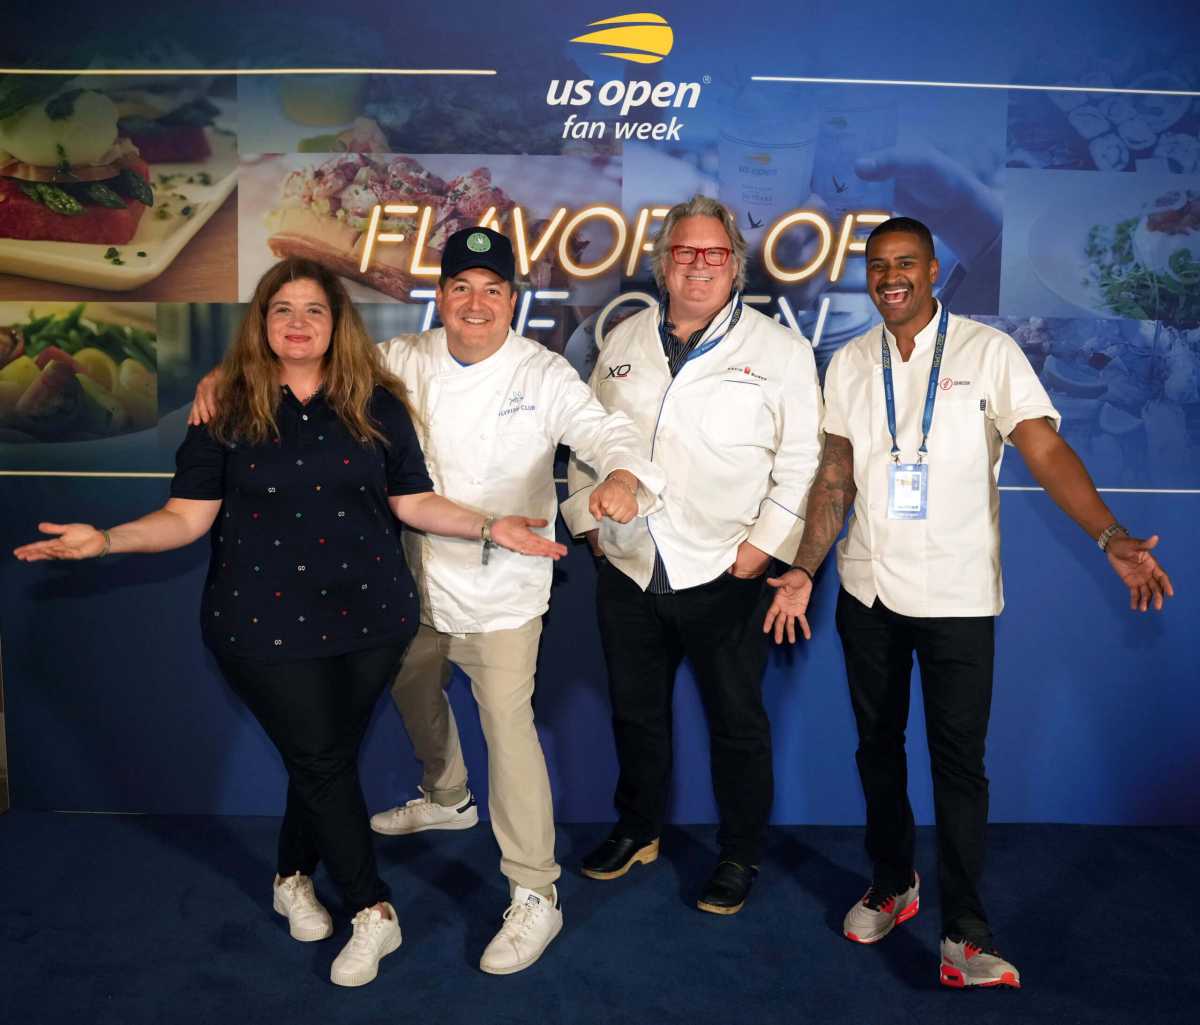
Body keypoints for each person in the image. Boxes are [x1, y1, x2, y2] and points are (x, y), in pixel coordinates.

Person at [16, 258, 567, 988]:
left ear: (338, 322)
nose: (299, 322)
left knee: (324, 755)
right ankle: (374, 910)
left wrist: (492, 527)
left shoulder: (375, 399)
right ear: (262, 322)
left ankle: (290, 875)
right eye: (283, 309)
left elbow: (413, 501)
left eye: (315, 309)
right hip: (260, 626)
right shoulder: (226, 406)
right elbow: (185, 516)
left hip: (373, 622)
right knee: (321, 758)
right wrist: (108, 538)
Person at [189, 228, 663, 974]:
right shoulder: (402, 358)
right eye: (461, 288)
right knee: (414, 693)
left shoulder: (543, 374)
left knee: (507, 727)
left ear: (515, 300)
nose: (476, 304)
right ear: (440, 296)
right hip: (403, 589)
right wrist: (222, 374)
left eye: (493, 290)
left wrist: (624, 479)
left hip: (504, 591)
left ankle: (536, 890)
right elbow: (301, 355)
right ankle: (446, 792)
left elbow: (606, 432)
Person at [762, 216, 1175, 988]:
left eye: (906, 263)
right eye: (879, 265)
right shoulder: (849, 362)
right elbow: (834, 479)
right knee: (876, 751)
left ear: (931, 270)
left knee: (959, 765)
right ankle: (894, 882)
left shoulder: (989, 351)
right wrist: (804, 567)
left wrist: (1110, 535)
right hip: (868, 588)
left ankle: (966, 930)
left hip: (957, 595)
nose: (891, 277)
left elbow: (1044, 448)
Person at [563, 195, 823, 914]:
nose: (699, 265)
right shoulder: (621, 342)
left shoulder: (780, 350)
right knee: (635, 711)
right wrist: (588, 522)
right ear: (664, 263)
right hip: (629, 562)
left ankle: (739, 852)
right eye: (685, 252)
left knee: (737, 721)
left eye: (713, 253)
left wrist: (762, 546)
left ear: (735, 265)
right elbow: (588, 439)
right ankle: (638, 827)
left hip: (724, 568)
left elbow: (802, 460)